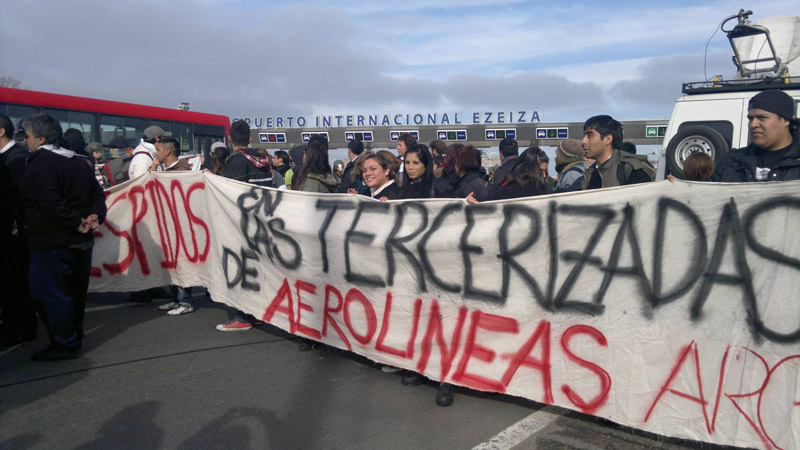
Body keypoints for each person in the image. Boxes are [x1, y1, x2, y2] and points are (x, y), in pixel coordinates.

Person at [20, 114, 107, 360]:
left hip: (53, 240)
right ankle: (73, 336)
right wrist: (94, 216)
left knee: (50, 294)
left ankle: (65, 342)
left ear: (41, 138)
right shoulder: (79, 162)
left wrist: (75, 221)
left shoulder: (42, 163)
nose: (25, 141)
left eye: (27, 136)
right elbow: (97, 195)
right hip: (80, 241)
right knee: (75, 293)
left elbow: (49, 199)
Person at [216, 121, 279, 331]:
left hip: (241, 224)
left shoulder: (236, 161)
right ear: (250, 139)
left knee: (238, 269)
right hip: (261, 221)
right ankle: (256, 313)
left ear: (230, 139)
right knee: (255, 268)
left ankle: (241, 316)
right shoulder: (264, 161)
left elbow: (231, 194)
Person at [0, 114, 37, 345]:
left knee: (15, 282)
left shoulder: (15, 159)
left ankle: (20, 327)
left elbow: (19, 198)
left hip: (15, 233)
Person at [148, 137, 195, 315]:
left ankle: (185, 301)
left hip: (181, 226)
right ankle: (175, 299)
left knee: (182, 264)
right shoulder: (165, 170)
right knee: (171, 264)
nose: (156, 154)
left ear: (167, 151)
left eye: (158, 150)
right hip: (169, 225)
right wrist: (153, 167)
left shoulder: (181, 170)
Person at [712, 89, 800, 182]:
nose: (753, 124)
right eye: (750, 118)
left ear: (785, 120)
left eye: (762, 117)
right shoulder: (731, 161)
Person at [581, 115, 655, 189]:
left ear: (608, 139)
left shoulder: (632, 170)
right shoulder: (589, 174)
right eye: (584, 136)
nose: (583, 141)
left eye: (589, 135)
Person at [467, 147, 551, 203]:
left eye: (545, 171)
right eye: (541, 171)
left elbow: (483, 206)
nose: (544, 176)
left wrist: (470, 202)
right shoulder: (547, 193)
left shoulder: (503, 193)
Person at [226, 120, 285, 189]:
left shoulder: (234, 161)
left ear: (229, 138)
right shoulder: (263, 160)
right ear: (250, 139)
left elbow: (233, 191)